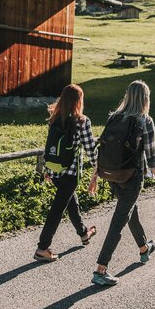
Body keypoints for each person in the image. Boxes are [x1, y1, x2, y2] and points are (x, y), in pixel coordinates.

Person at [89, 80, 155, 286]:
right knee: (119, 219)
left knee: (129, 209)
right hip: (131, 177)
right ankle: (101, 269)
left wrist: (95, 176)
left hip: (111, 174)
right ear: (145, 99)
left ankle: (144, 248)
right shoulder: (145, 120)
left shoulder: (114, 117)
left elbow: (103, 149)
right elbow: (152, 158)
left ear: (127, 96)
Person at [34, 84, 98, 262]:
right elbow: (90, 149)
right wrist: (97, 169)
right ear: (78, 101)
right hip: (70, 174)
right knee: (57, 210)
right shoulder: (82, 121)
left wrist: (47, 169)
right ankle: (42, 248)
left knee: (71, 202)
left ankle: (84, 233)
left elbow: (50, 146)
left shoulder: (55, 118)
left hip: (55, 171)